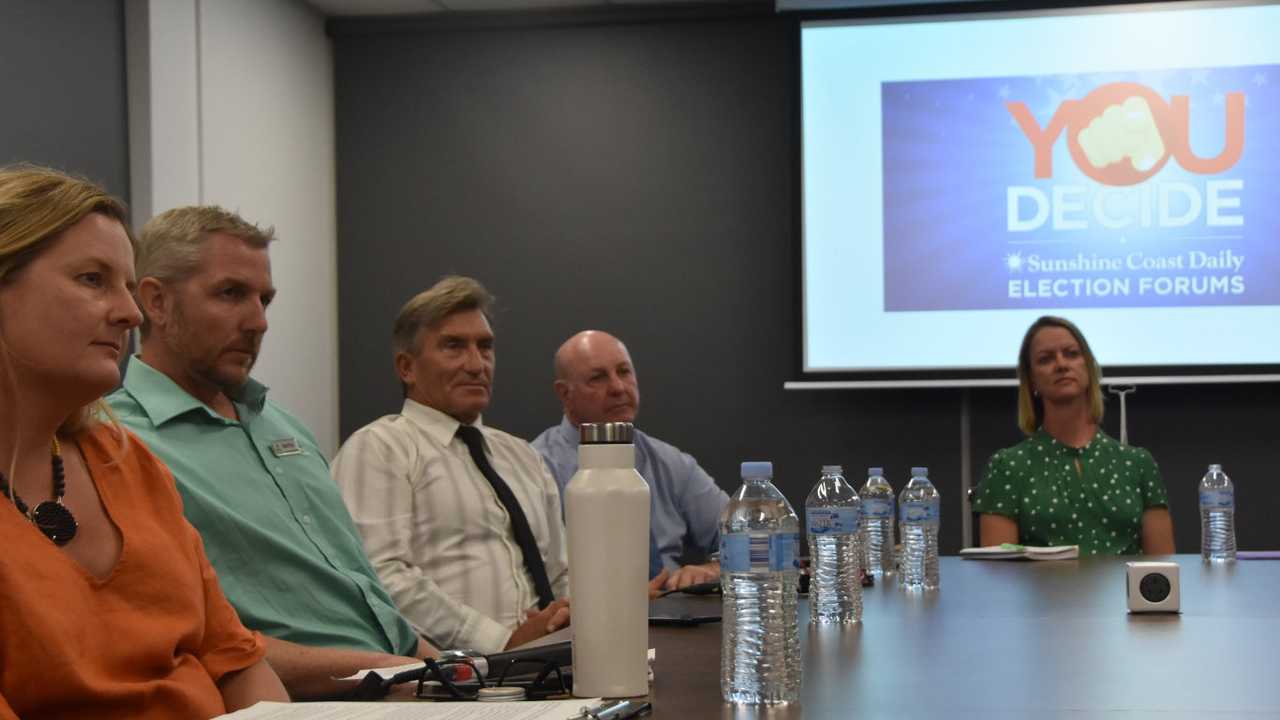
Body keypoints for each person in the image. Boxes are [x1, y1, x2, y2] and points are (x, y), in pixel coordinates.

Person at [107, 206, 430, 700]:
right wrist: (392, 671)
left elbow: (369, 606)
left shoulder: (284, 426)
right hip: (313, 700)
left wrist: (451, 668)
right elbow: (187, 644)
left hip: (401, 682)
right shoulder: (117, 443)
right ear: (156, 301)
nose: (258, 322)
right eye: (231, 294)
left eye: (265, 299)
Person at [0, 165, 287, 718]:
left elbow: (238, 663)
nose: (130, 313)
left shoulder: (130, 463)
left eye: (128, 287)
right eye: (92, 279)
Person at [332, 276, 570, 655]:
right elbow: (379, 576)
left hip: (555, 662)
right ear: (407, 367)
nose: (477, 364)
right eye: (454, 347)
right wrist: (502, 643)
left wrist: (570, 622)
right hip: (455, 680)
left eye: (486, 347)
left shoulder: (522, 455)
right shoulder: (379, 448)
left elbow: (560, 572)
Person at [532, 330, 728, 593]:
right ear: (565, 393)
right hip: (583, 614)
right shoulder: (535, 466)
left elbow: (748, 534)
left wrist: (714, 569)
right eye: (598, 378)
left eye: (624, 372)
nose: (618, 388)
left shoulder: (669, 462)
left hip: (671, 611)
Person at [972, 316, 1175, 555]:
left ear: (1088, 368)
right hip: (1041, 592)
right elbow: (998, 580)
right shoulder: (1008, 466)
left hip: (1123, 592)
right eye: (1045, 359)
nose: (1061, 364)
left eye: (1071, 354)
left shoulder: (1137, 463)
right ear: (1032, 380)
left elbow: (1163, 573)